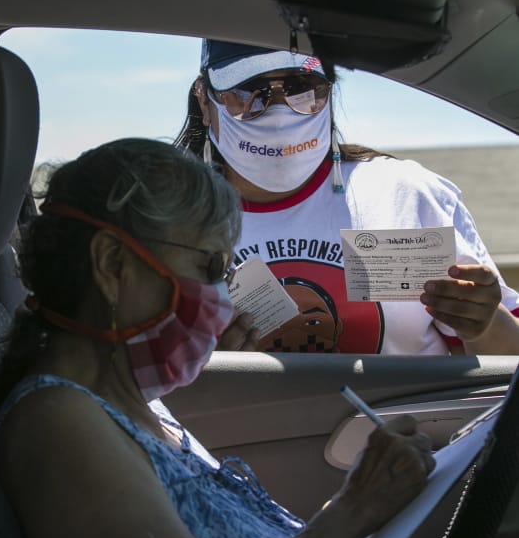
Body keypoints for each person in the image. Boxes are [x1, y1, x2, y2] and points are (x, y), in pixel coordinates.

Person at [0, 137, 435, 538]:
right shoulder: (59, 421)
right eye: (212, 265)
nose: (224, 291)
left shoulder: (133, 406)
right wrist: (354, 509)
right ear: (113, 264)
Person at [176, 39, 519, 355]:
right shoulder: (170, 223)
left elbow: (508, 362)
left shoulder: (406, 195)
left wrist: (486, 323)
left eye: (302, 89)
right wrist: (197, 365)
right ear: (205, 100)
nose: (280, 113)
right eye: (249, 92)